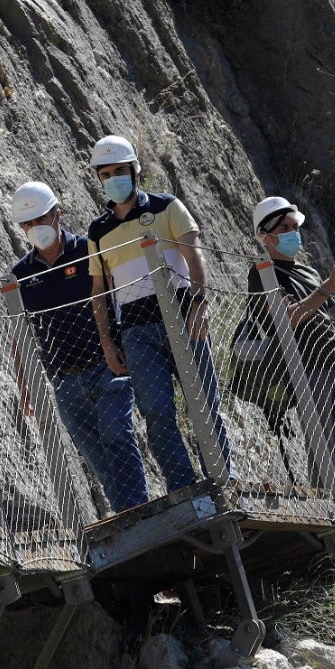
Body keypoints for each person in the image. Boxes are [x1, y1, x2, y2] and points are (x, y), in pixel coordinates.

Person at [87, 134, 232, 491]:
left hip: (184, 317)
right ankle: (184, 491)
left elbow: (194, 254)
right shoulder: (97, 231)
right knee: (156, 415)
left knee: (205, 404)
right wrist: (107, 341)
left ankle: (224, 483)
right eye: (106, 174)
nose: (114, 178)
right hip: (136, 332)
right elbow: (99, 291)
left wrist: (200, 303)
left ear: (134, 171)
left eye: (120, 170)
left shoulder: (167, 206)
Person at [10, 180, 149, 513]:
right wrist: (23, 382)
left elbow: (119, 296)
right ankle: (130, 515)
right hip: (64, 379)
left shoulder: (88, 249)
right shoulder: (22, 274)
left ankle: (142, 511)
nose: (34, 228)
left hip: (107, 364)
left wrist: (129, 342)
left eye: (40, 219)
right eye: (27, 224)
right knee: (96, 455)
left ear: (58, 214)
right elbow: (20, 332)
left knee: (117, 433)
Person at [242, 196, 335, 499]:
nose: (293, 233)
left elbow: (326, 325)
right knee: (322, 444)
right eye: (284, 228)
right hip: (305, 368)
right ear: (265, 235)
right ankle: (328, 510)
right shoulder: (263, 273)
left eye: (294, 226)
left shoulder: (309, 272)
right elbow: (286, 319)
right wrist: (329, 285)